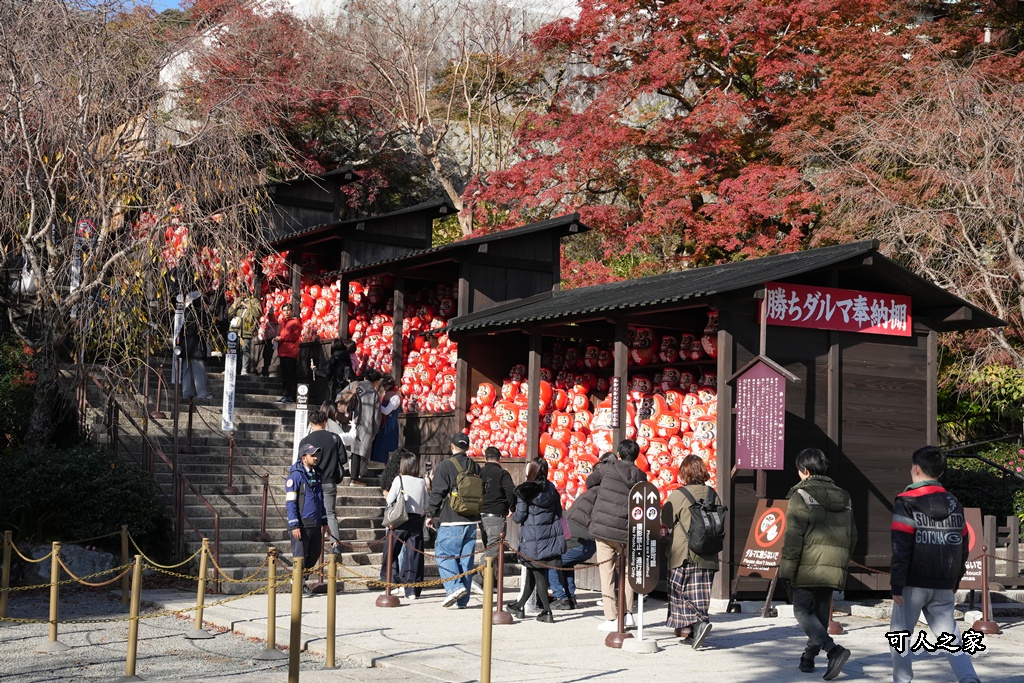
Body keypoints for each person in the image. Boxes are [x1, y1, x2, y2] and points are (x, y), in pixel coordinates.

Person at [890, 446, 980, 683]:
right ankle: (968, 678)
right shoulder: (955, 504)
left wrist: (896, 584)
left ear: (916, 469)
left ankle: (902, 680)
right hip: (944, 583)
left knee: (900, 635)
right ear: (940, 473)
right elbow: (962, 545)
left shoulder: (906, 502)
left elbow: (901, 546)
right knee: (950, 635)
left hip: (912, 583)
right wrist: (956, 580)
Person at [779, 448, 857, 681]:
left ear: (805, 470)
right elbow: (853, 536)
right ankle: (809, 657)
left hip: (806, 564)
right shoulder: (845, 497)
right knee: (821, 613)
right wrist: (841, 561)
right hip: (833, 565)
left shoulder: (800, 495)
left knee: (802, 611)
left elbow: (793, 537)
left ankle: (834, 651)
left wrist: (787, 570)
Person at [586, 439, 647, 631]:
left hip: (605, 529)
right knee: (629, 573)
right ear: (636, 456)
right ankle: (628, 615)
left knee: (607, 574)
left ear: (619, 454)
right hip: (628, 531)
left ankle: (611, 618)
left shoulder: (607, 469)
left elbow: (589, 482)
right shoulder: (641, 475)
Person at [661, 455, 719, 649]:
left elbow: (666, 519)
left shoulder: (680, 495)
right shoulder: (713, 494)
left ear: (684, 473)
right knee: (700, 592)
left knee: (680, 592)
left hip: (684, 553)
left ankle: (700, 622)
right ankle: (696, 632)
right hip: (708, 553)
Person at [505, 457, 565, 624]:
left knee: (537, 573)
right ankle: (519, 605)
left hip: (532, 537)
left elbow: (520, 516)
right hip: (548, 536)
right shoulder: (551, 488)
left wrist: (513, 515)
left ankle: (547, 611)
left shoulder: (525, 491)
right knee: (533, 571)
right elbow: (558, 512)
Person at [426, 433, 481, 609]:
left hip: (451, 519)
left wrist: (430, 514)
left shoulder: (445, 466)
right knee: (466, 560)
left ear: (452, 447)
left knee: (443, 554)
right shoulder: (475, 466)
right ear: (467, 447)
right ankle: (463, 601)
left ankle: (453, 588)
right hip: (472, 520)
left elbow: (438, 493)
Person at [297, 409, 347, 554]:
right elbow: (343, 459)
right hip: (329, 480)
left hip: (311, 482)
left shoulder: (305, 441)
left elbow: (301, 462)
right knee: (330, 513)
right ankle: (335, 544)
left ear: (310, 423)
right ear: (325, 422)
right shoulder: (334, 438)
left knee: (310, 511)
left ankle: (310, 543)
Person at [381, 450, 428, 600]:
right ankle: (412, 589)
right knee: (414, 555)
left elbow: (389, 500)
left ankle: (390, 582)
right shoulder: (421, 481)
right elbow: (426, 503)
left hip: (399, 520)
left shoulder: (399, 479)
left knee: (390, 551)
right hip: (416, 520)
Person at [286, 443, 329, 587]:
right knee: (300, 557)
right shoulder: (295, 476)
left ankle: (301, 580)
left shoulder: (316, 475)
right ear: (304, 458)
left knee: (315, 553)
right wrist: (294, 525)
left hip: (315, 522)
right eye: (312, 455)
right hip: (302, 524)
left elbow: (320, 499)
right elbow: (291, 502)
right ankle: (297, 585)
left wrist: (324, 521)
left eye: (316, 454)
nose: (315, 457)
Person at [549, 482, 597, 610]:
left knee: (551, 563)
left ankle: (561, 597)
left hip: (575, 542)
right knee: (567, 565)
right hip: (590, 543)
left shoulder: (587, 495)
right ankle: (571, 597)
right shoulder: (598, 496)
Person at [474, 446, 515, 593]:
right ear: (500, 459)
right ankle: (478, 578)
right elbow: (510, 491)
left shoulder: (479, 473)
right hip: (496, 515)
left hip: (481, 514)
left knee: (493, 549)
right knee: (493, 550)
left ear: (485, 459)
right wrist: (512, 507)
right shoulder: (502, 473)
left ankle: (493, 583)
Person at [339, 369, 382, 484]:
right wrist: (375, 431)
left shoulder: (354, 385)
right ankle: (355, 478)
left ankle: (350, 474)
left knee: (352, 449)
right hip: (365, 425)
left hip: (349, 421)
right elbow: (377, 416)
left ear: (365, 378)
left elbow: (339, 397)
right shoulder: (374, 393)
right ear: (375, 382)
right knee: (358, 450)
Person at [179, 291, 214, 401]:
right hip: (196, 346)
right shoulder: (200, 313)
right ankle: (202, 393)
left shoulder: (187, 311)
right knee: (199, 371)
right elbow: (205, 328)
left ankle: (187, 392)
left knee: (187, 370)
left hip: (186, 345)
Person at [273, 303, 301, 403]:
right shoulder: (282, 322)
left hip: (290, 352)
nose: (286, 312)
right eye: (284, 310)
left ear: (292, 311)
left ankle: (292, 396)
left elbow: (293, 336)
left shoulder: (295, 322)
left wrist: (281, 338)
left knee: (291, 375)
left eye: (288, 310)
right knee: (284, 375)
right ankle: (285, 395)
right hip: (282, 352)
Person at [227, 291, 261, 376]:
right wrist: (234, 305)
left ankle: (244, 369)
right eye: (240, 292)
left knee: (245, 349)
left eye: (244, 291)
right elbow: (229, 314)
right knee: (232, 349)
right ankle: (230, 368)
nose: (242, 294)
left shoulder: (254, 301)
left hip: (246, 330)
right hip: (235, 330)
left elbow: (257, 313)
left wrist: (246, 305)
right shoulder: (237, 300)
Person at [371, 375, 402, 465]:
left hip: (390, 424)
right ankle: (379, 466)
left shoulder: (395, 397)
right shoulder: (386, 395)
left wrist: (377, 405)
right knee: (381, 446)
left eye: (385, 386)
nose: (384, 388)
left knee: (388, 446)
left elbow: (387, 411)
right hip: (384, 424)